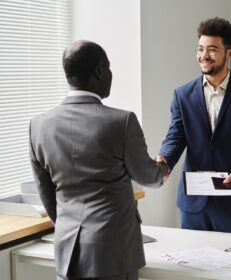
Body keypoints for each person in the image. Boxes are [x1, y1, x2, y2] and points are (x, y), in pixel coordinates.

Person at [29, 40, 168, 280]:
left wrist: (69, 224)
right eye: (109, 67)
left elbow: (47, 193)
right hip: (112, 253)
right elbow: (148, 176)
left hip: (68, 251)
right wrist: (162, 169)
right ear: (99, 71)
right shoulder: (121, 122)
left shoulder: (39, 126)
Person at [157, 17, 231, 235]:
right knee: (195, 267)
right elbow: (175, 137)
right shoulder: (182, 95)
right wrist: (165, 161)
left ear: (229, 53)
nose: (203, 56)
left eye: (211, 50)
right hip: (194, 204)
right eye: (200, 49)